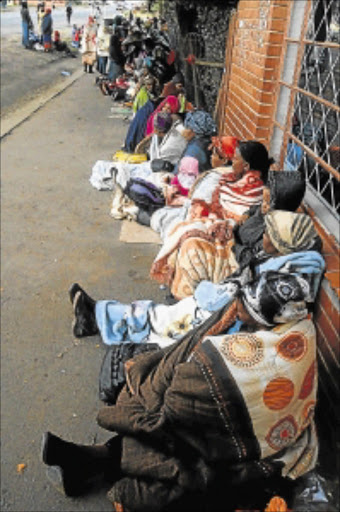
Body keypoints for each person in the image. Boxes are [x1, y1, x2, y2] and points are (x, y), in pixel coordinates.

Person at [42, 270, 321, 512]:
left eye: (245, 306)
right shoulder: (294, 326)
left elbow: (185, 403)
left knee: (180, 454)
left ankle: (89, 463)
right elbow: (196, 344)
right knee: (163, 420)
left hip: (264, 454)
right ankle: (87, 461)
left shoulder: (258, 359)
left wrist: (156, 390)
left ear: (266, 318)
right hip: (244, 431)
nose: (237, 307)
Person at [69, 209, 322, 343]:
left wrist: (204, 289)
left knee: (165, 320)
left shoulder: (285, 277)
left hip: (233, 323)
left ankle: (96, 320)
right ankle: (101, 314)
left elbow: (236, 300)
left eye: (269, 235)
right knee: (170, 312)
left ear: (281, 244)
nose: (263, 237)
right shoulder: (287, 264)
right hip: (232, 308)